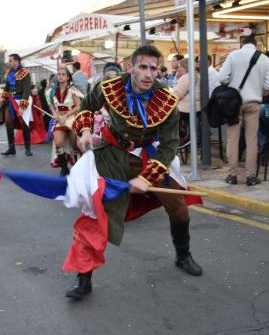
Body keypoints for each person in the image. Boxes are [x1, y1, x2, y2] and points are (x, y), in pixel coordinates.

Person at [65, 44, 203, 300]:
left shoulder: (167, 99)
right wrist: (84, 131)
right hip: (112, 154)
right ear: (131, 67)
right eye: (142, 67)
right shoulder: (109, 86)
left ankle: (183, 255)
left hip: (149, 156)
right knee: (97, 214)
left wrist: (146, 177)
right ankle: (83, 277)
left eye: (153, 68)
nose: (148, 74)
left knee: (179, 207)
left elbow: (170, 145)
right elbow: (86, 107)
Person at [218, 35, 269, 186]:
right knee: (252, 140)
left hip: (234, 104)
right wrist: (259, 86)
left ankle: (232, 175)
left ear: (241, 43)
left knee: (233, 139)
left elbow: (222, 77)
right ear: (255, 44)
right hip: (253, 103)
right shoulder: (264, 59)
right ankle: (251, 177)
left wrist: (233, 83)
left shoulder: (233, 55)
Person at [0, 53, 33, 157]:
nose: (9, 62)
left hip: (22, 100)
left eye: (11, 60)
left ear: (17, 61)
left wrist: (22, 106)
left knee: (25, 124)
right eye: (9, 60)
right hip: (11, 101)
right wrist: (3, 97)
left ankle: (27, 148)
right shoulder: (9, 73)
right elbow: (7, 88)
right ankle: (11, 148)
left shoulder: (25, 73)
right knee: (8, 122)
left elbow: (26, 90)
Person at [48, 67, 82, 175]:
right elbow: (52, 105)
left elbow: (78, 106)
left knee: (75, 144)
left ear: (68, 77)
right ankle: (64, 168)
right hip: (59, 118)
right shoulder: (53, 91)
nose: (61, 76)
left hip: (71, 117)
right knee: (58, 143)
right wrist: (54, 113)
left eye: (63, 74)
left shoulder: (72, 90)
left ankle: (78, 166)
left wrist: (66, 115)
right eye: (59, 74)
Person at [174, 58, 201, 145]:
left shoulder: (186, 77)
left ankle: (180, 137)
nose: (178, 69)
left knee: (166, 114)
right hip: (196, 108)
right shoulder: (196, 75)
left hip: (185, 109)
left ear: (185, 67)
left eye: (179, 67)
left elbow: (177, 95)